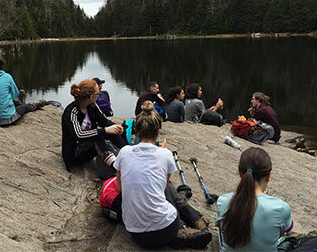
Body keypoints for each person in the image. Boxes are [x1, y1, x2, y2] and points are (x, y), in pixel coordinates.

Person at [114, 101, 212, 249]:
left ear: (136, 132)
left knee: (153, 183)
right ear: (158, 132)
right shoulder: (165, 155)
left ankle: (184, 230)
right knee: (165, 187)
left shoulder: (124, 152)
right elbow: (163, 189)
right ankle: (187, 225)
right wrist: (161, 155)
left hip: (136, 233)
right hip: (166, 228)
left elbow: (119, 187)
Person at [216, 147, 293, 251]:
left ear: (240, 173)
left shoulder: (223, 201)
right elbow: (288, 229)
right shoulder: (280, 207)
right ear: (268, 176)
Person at [61, 79, 125, 172]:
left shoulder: (92, 106)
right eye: (97, 94)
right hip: (73, 153)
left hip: (87, 148)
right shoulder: (72, 111)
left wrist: (116, 127)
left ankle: (127, 152)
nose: (99, 95)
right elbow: (79, 135)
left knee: (112, 131)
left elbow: (104, 121)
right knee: (98, 136)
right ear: (91, 96)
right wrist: (105, 130)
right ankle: (116, 167)